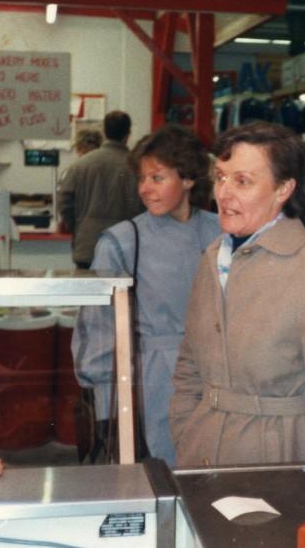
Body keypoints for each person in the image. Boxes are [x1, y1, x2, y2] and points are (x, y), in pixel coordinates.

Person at [170, 121, 305, 510]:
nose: (224, 193)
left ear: (283, 189)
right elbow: (189, 364)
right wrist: (186, 431)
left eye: (242, 181)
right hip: (201, 459)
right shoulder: (212, 259)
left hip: (279, 469)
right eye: (221, 177)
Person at [73, 124, 220, 465]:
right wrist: (108, 403)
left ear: (188, 179)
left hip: (220, 378)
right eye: (142, 179)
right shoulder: (122, 242)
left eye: (157, 178)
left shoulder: (222, 232)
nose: (145, 189)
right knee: (163, 474)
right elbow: (97, 328)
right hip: (154, 382)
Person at [58, 111, 144, 269]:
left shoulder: (80, 165)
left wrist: (79, 227)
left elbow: (64, 200)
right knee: (124, 294)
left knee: (89, 293)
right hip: (127, 247)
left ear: (104, 131)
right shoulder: (138, 168)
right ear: (128, 134)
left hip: (88, 246)